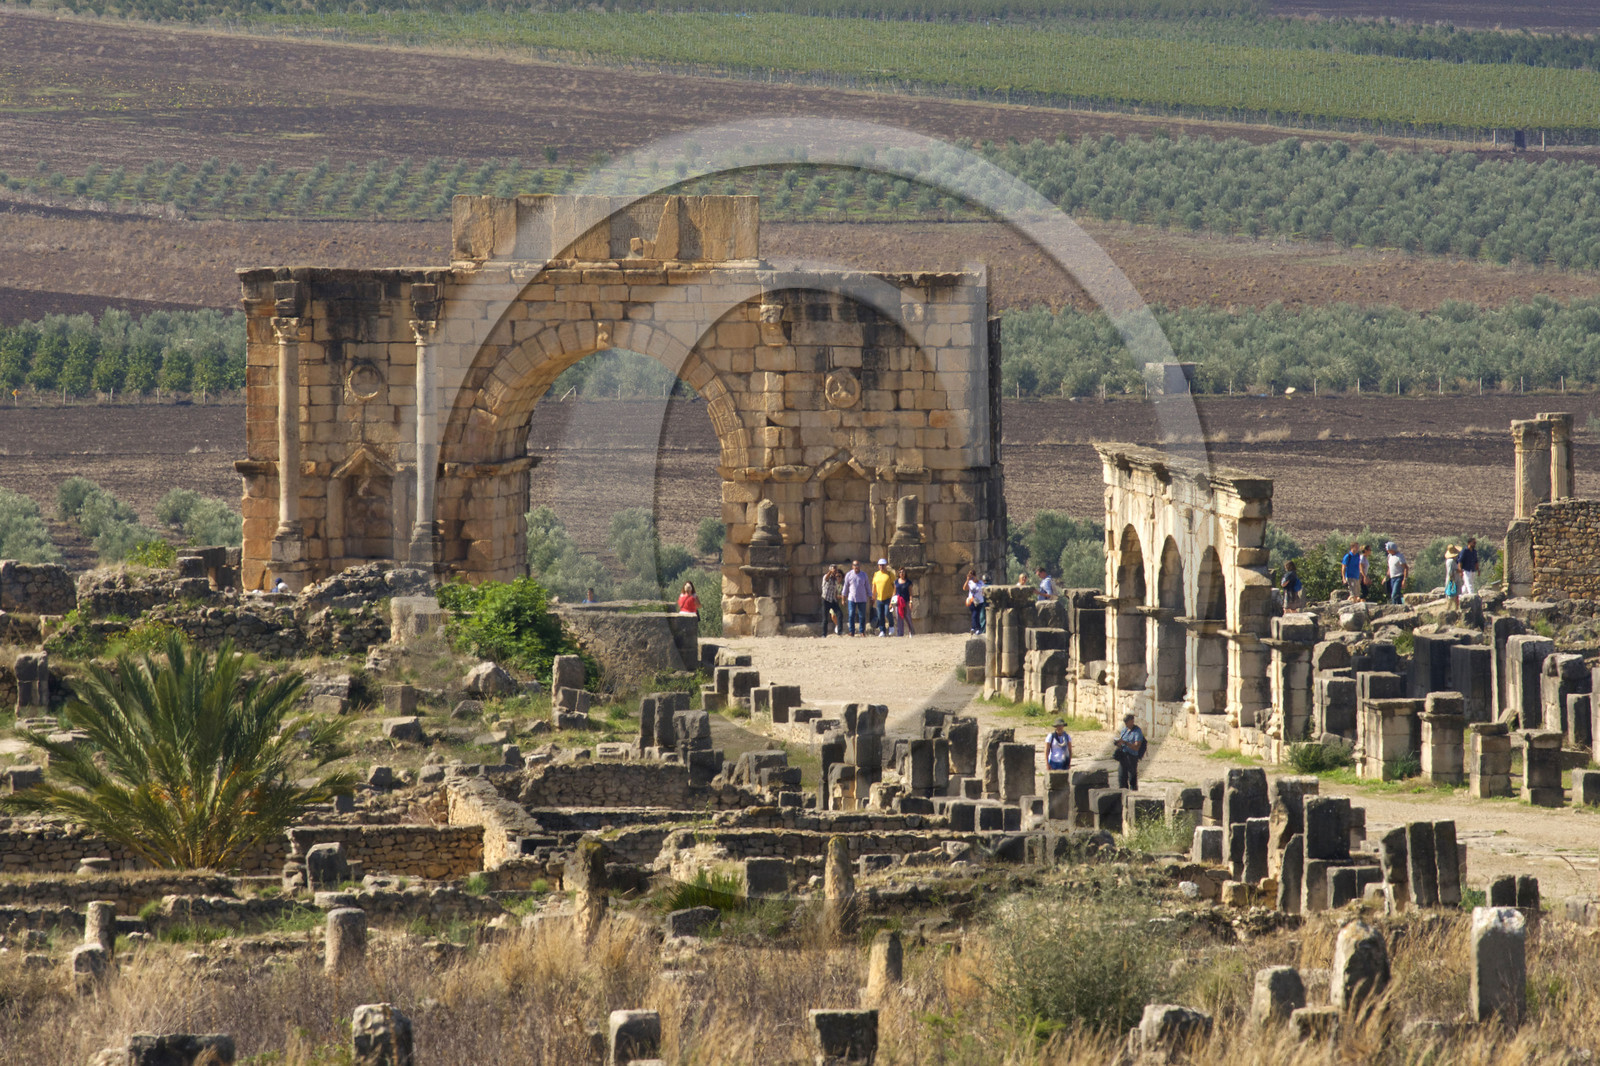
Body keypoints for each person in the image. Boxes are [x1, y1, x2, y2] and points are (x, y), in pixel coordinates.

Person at [1113, 713, 1147, 791]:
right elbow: (1121, 741)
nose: (1125, 723)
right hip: (1123, 756)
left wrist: (1125, 743)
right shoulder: (1124, 730)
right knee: (1121, 778)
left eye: (1127, 721)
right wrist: (1118, 743)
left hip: (1132, 757)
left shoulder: (1137, 731)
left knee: (1132, 779)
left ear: (1132, 721)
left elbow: (1136, 747)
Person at [843, 559, 871, 637]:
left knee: (862, 615)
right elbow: (845, 587)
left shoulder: (864, 575)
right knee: (851, 614)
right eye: (855, 565)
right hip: (852, 598)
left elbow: (867, 586)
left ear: (860, 566)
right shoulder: (848, 575)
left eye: (858, 565)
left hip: (862, 598)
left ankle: (862, 631)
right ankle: (851, 631)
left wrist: (870, 596)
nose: (856, 567)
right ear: (852, 566)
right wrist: (843, 597)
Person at [872, 558, 895, 637]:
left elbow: (894, 586)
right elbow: (874, 585)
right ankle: (882, 630)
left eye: (883, 565)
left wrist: (893, 596)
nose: (881, 566)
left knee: (887, 612)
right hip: (879, 598)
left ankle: (891, 625)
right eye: (880, 565)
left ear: (886, 565)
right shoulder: (876, 574)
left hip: (888, 597)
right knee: (880, 615)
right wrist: (873, 596)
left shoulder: (890, 574)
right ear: (878, 566)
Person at [820, 564, 845, 635]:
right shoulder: (826, 576)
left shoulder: (835, 579)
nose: (835, 571)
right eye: (833, 569)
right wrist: (830, 572)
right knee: (825, 618)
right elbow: (826, 579)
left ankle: (840, 631)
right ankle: (824, 634)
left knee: (840, 614)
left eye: (835, 569)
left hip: (833, 600)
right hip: (826, 599)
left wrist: (836, 597)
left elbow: (835, 589)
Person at [892, 567, 915, 636]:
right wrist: (891, 602)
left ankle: (911, 631)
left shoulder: (908, 582)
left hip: (906, 601)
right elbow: (894, 592)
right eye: (900, 572)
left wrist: (911, 602)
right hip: (898, 602)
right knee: (898, 618)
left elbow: (910, 593)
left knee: (907, 616)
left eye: (903, 572)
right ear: (898, 574)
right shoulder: (896, 582)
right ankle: (900, 633)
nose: (902, 573)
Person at [963, 569, 986, 635]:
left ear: (975, 576)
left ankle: (975, 628)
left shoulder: (980, 582)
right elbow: (964, 588)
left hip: (979, 601)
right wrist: (967, 580)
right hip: (971, 600)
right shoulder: (969, 582)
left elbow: (983, 590)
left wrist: (976, 581)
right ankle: (976, 628)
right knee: (975, 614)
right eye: (970, 577)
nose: (972, 578)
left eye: (972, 577)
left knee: (976, 614)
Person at [1444, 544, 1462, 609]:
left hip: (1455, 580)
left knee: (1456, 597)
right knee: (1451, 597)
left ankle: (1456, 609)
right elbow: (1450, 573)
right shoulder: (1450, 561)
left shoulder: (1453, 561)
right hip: (1452, 581)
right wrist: (1458, 571)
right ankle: (1448, 610)